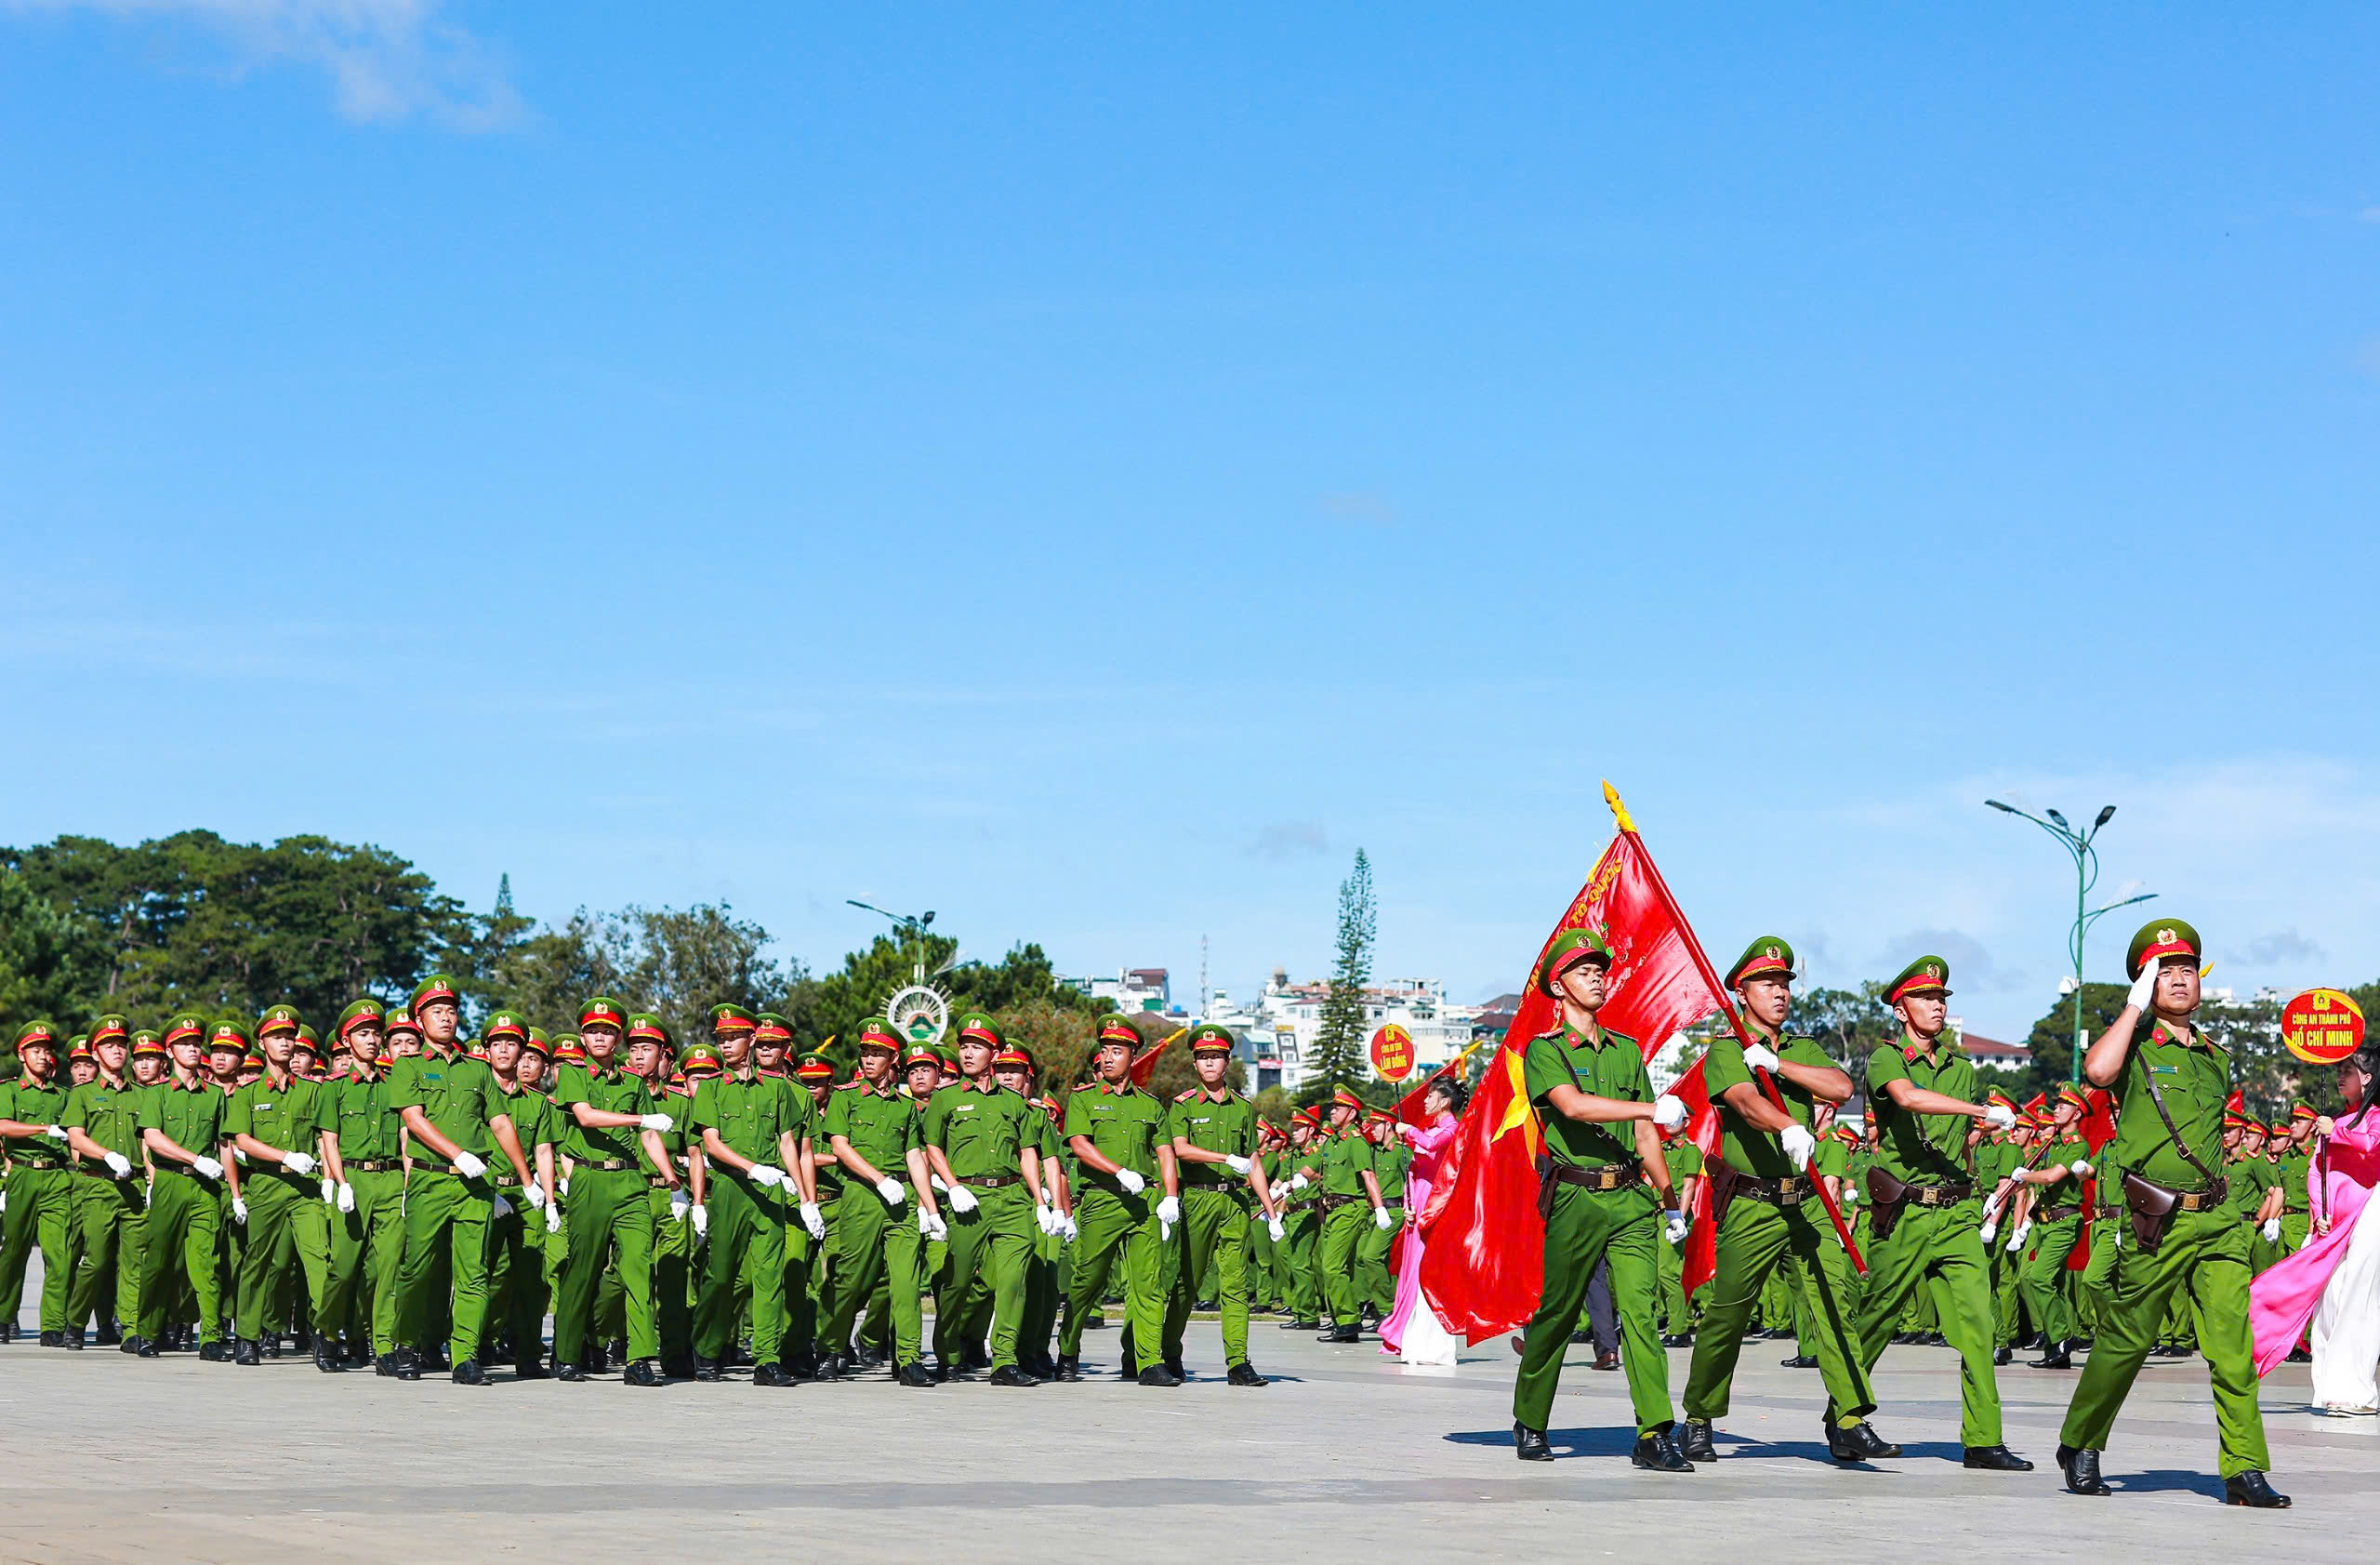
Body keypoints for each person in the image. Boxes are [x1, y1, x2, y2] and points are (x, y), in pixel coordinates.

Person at [2056, 920, 2286, 1507]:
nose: (2179, 979)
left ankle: (2243, 1468)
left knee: (2234, 1346)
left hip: (2218, 1220)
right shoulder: (2131, 1048)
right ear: (2145, 982)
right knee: (2129, 1338)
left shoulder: (2216, 1058)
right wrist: (2133, 1009)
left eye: (2187, 969)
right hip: (2155, 1220)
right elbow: (2098, 1074)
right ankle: (2081, 1440)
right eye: (2164, 971)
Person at [1679, 936, 1890, 1466]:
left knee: (1834, 1304)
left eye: (1785, 984)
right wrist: (1789, 1122)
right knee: (1728, 1314)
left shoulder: (1799, 1047)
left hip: (1807, 1200)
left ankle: (1848, 1420)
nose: (1780, 993)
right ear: (1741, 991)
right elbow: (1745, 1103)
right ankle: (1700, 1417)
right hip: (1753, 1201)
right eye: (1768, 984)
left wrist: (1777, 1066)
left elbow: (1840, 1087)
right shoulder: (1726, 1050)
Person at [1507, 929, 1694, 1469]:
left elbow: (1645, 1136)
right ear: (1559, 986)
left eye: (1601, 969)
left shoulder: (1627, 1050)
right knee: (1559, 1313)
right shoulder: (1545, 1051)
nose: (1597, 976)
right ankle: (1532, 1418)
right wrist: (1649, 1110)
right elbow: (1575, 1107)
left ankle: (1654, 1431)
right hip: (1576, 1197)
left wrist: (1669, 1197)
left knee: (1641, 1313)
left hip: (1631, 1198)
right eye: (1583, 970)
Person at [1847, 957, 2030, 1469]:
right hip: (1905, 1212)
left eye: (1943, 999)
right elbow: (1907, 1100)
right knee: (1879, 1318)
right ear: (1901, 1008)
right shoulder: (1887, 1059)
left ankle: (1983, 1439)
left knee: (1979, 1323)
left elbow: (1960, 1141)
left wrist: (1982, 1141)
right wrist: (1978, 1111)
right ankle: (1844, 1416)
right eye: (1926, 998)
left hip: (1955, 1212)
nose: (1937, 1006)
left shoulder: (1962, 1069)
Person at [386, 975, 539, 1385]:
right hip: (430, 1181)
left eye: (452, 1011)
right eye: (437, 1011)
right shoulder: (408, 1067)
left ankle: (465, 1357)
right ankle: (405, 1344)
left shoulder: (478, 1071)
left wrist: (526, 1179)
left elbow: (501, 1123)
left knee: (474, 1272)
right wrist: (458, 1154)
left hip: (474, 1186)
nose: (446, 1018)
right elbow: (413, 1121)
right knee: (418, 1269)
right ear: (420, 1020)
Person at [550, 996, 681, 1385]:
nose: (600, 1037)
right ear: (583, 1036)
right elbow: (586, 1117)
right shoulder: (574, 1074)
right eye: (593, 1031)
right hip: (589, 1179)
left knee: (638, 1267)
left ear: (618, 1037)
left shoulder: (633, 1081)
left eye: (607, 1031)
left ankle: (639, 1358)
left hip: (628, 1181)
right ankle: (568, 1352)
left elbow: (650, 1136)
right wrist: (642, 1116)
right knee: (583, 1270)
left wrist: (673, 1182)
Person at [689, 1001, 820, 1387]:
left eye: (733, 1038)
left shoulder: (778, 1089)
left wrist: (804, 1195)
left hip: (770, 1191)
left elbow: (787, 1143)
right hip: (732, 1187)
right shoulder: (711, 1088)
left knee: (769, 1275)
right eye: (721, 1039)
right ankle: (708, 1349)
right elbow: (711, 1143)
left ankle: (766, 1357)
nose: (726, 1045)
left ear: (751, 1040)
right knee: (721, 1275)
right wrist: (751, 1168)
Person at [2251, 1041, 2380, 1412]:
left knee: (2359, 1298)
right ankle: (2328, 1387)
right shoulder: (2335, 1122)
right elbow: (2316, 1170)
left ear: (2367, 1078)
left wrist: (2334, 1132)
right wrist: (2319, 1212)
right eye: (2338, 1071)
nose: (2340, 1076)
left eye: (2349, 1071)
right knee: (2330, 1301)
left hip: (2369, 1214)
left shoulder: (2373, 1117)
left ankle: (2357, 1391)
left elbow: (2371, 1147)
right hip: (2332, 1224)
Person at [923, 1013, 1041, 1386]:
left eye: (977, 1047)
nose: (968, 1052)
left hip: (1011, 1198)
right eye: (964, 1046)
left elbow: (1027, 1153)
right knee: (957, 1282)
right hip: (967, 1199)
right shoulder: (946, 1098)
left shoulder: (1014, 1102)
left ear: (994, 1053)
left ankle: (1004, 1360)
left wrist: (1040, 1199)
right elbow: (931, 1146)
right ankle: (947, 1352)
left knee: (1011, 1281)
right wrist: (953, 1185)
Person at [820, 1019, 936, 1386]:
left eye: (878, 1054)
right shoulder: (846, 1096)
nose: (869, 1060)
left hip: (901, 1199)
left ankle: (909, 1359)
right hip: (862, 1195)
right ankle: (831, 1348)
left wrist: (929, 1208)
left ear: (893, 1058)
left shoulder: (905, 1107)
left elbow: (915, 1156)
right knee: (850, 1280)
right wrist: (879, 1179)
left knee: (906, 1281)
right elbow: (840, 1147)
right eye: (866, 1053)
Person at [1059, 1016, 1174, 1384]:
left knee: (1148, 1284)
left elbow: (1166, 1152)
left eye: (1117, 1051)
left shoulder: (1151, 1105)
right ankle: (1067, 1348)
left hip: (1143, 1204)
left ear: (1133, 1056)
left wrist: (1170, 1197)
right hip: (1102, 1200)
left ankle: (1149, 1361)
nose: (1108, 1058)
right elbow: (1079, 1144)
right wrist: (1118, 1171)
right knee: (1088, 1281)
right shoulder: (1083, 1099)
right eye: (1104, 1050)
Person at [224, 1005, 337, 1370]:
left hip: (306, 1189)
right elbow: (242, 1140)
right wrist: (285, 1155)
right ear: (262, 1042)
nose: (286, 1043)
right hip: (268, 1184)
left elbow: (324, 1139)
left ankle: (325, 1336)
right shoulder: (248, 1093)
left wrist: (333, 1181)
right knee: (258, 1261)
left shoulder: (311, 1092)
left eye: (290, 1037)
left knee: (318, 1258)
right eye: (277, 1037)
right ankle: (248, 1336)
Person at [1160, 1023, 1272, 1386]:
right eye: (1203, 1057)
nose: (1209, 1063)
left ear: (1227, 1062)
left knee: (1236, 1284)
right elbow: (1180, 1148)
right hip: (1198, 1198)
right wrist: (1226, 1158)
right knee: (1186, 1283)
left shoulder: (1243, 1107)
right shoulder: (1184, 1105)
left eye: (1216, 1057)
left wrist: (1271, 1212)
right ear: (1195, 1064)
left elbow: (1252, 1159)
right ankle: (1170, 1350)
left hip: (1234, 1201)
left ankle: (1238, 1361)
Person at [132, 1014, 231, 1360]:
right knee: (158, 1263)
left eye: (195, 1043)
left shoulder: (215, 1096)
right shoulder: (157, 1095)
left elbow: (224, 1146)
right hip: (170, 1182)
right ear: (170, 1052)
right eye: (184, 1043)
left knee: (206, 1263)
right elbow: (153, 1139)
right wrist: (194, 1159)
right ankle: (147, 1331)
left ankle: (211, 1337)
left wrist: (234, 1192)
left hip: (205, 1188)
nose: (192, 1048)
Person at [318, 1000, 407, 1373]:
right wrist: (340, 1183)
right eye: (363, 1034)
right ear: (346, 1040)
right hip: (353, 1178)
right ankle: (325, 1333)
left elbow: (405, 1135)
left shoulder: (393, 1084)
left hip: (389, 1178)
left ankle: (384, 1347)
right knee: (344, 1266)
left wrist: (408, 1181)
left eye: (375, 1034)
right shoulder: (334, 1088)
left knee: (389, 1266)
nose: (372, 1041)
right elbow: (329, 1140)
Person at [60, 1015, 146, 1351]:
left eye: (121, 1045)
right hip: (98, 1186)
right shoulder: (82, 1095)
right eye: (109, 1045)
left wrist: (152, 1180)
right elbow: (76, 1138)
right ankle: (76, 1320)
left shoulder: (142, 1096)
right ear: (95, 1053)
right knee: (95, 1261)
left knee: (134, 1261)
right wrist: (108, 1155)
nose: (117, 1051)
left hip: (134, 1187)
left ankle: (131, 1330)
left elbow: (147, 1143)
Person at [0, 1021, 75, 1346]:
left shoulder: (64, 1096)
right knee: (14, 1252)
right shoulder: (9, 1091)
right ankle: (3, 1316)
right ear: (22, 1054)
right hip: (23, 1174)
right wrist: (43, 1130)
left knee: (59, 1254)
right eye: (35, 1050)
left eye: (46, 1050)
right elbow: (3, 1125)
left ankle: (52, 1325)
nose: (42, 1056)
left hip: (58, 1176)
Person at [1298, 1086, 1393, 1345]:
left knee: (1332, 1266)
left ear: (1351, 1113)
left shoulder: (1355, 1141)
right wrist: (1292, 1182)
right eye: (1333, 1106)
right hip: (1332, 1210)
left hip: (1351, 1209)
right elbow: (1312, 1167)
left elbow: (1368, 1175)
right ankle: (1343, 1321)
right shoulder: (1333, 1141)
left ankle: (1348, 1321)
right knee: (1338, 1267)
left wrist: (1380, 1206)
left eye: (1338, 1107)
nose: (1332, 1111)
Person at [1382, 1074, 1464, 1362]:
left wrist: (1410, 1131)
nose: (1426, 1100)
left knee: (1423, 1270)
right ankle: (1407, 1335)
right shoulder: (1429, 1130)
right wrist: (1408, 1203)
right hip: (1419, 1203)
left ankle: (1423, 1338)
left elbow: (1431, 1145)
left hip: (1437, 1206)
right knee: (1409, 1269)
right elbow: (1415, 1170)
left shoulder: (1452, 1129)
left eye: (1431, 1096)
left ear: (1444, 1102)